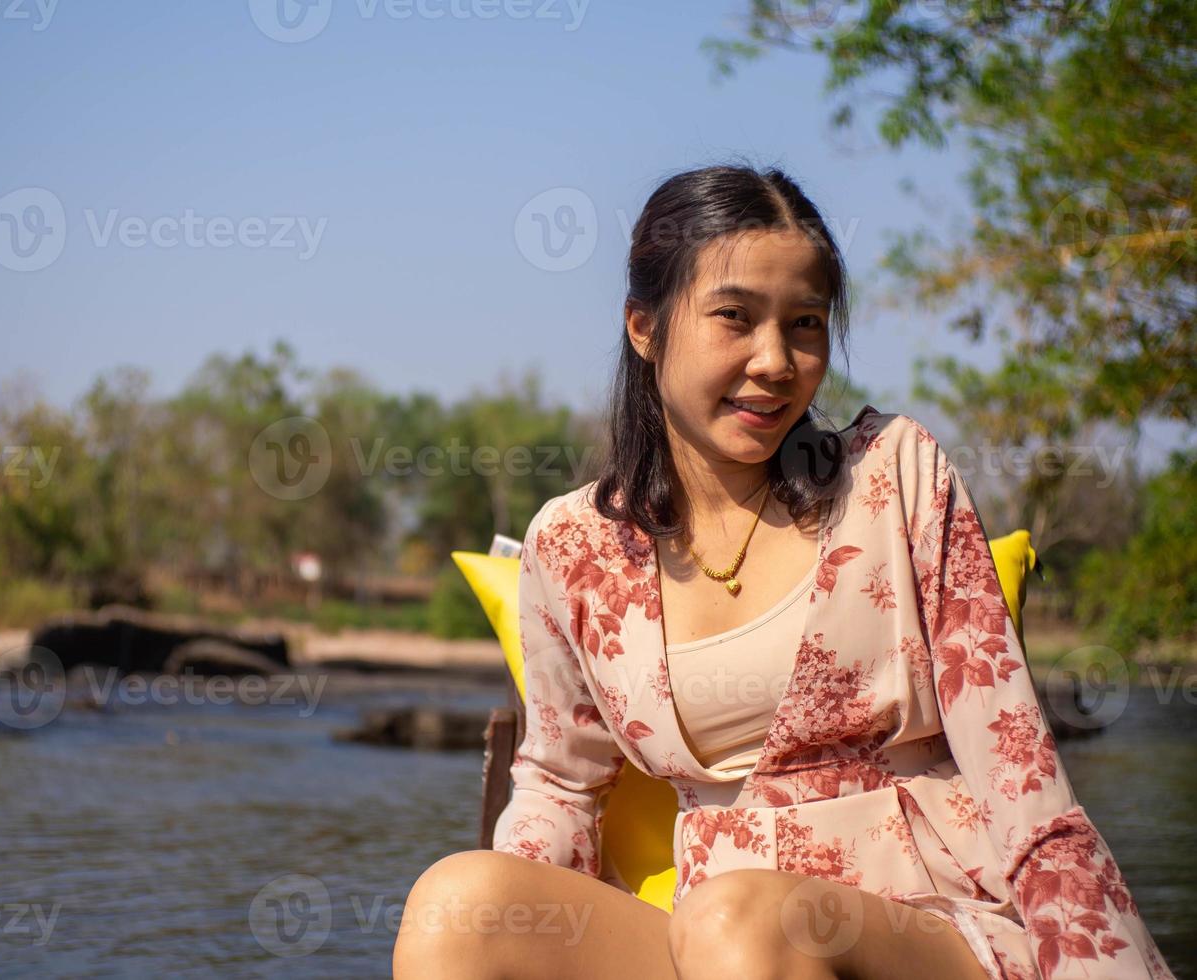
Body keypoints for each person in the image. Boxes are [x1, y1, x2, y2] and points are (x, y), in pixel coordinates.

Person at [393, 163, 1174, 979]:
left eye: (804, 324)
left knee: (745, 922)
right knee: (459, 906)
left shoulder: (893, 479)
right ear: (644, 326)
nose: (775, 360)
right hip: (708, 933)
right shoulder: (573, 544)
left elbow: (1017, 770)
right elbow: (559, 783)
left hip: (928, 922)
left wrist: (1095, 963)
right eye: (734, 317)